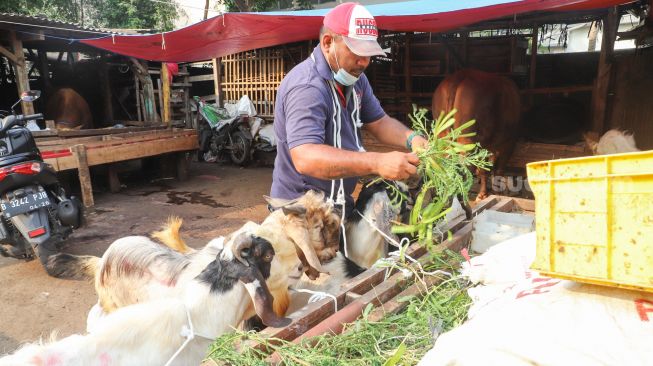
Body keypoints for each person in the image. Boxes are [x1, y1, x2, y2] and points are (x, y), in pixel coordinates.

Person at [270, 2, 427, 218]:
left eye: (369, 53)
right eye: (357, 52)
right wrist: (377, 162)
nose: (364, 62)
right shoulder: (307, 87)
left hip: (338, 203)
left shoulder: (355, 79)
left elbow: (379, 122)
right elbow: (305, 157)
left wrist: (413, 139)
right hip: (300, 211)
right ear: (328, 43)